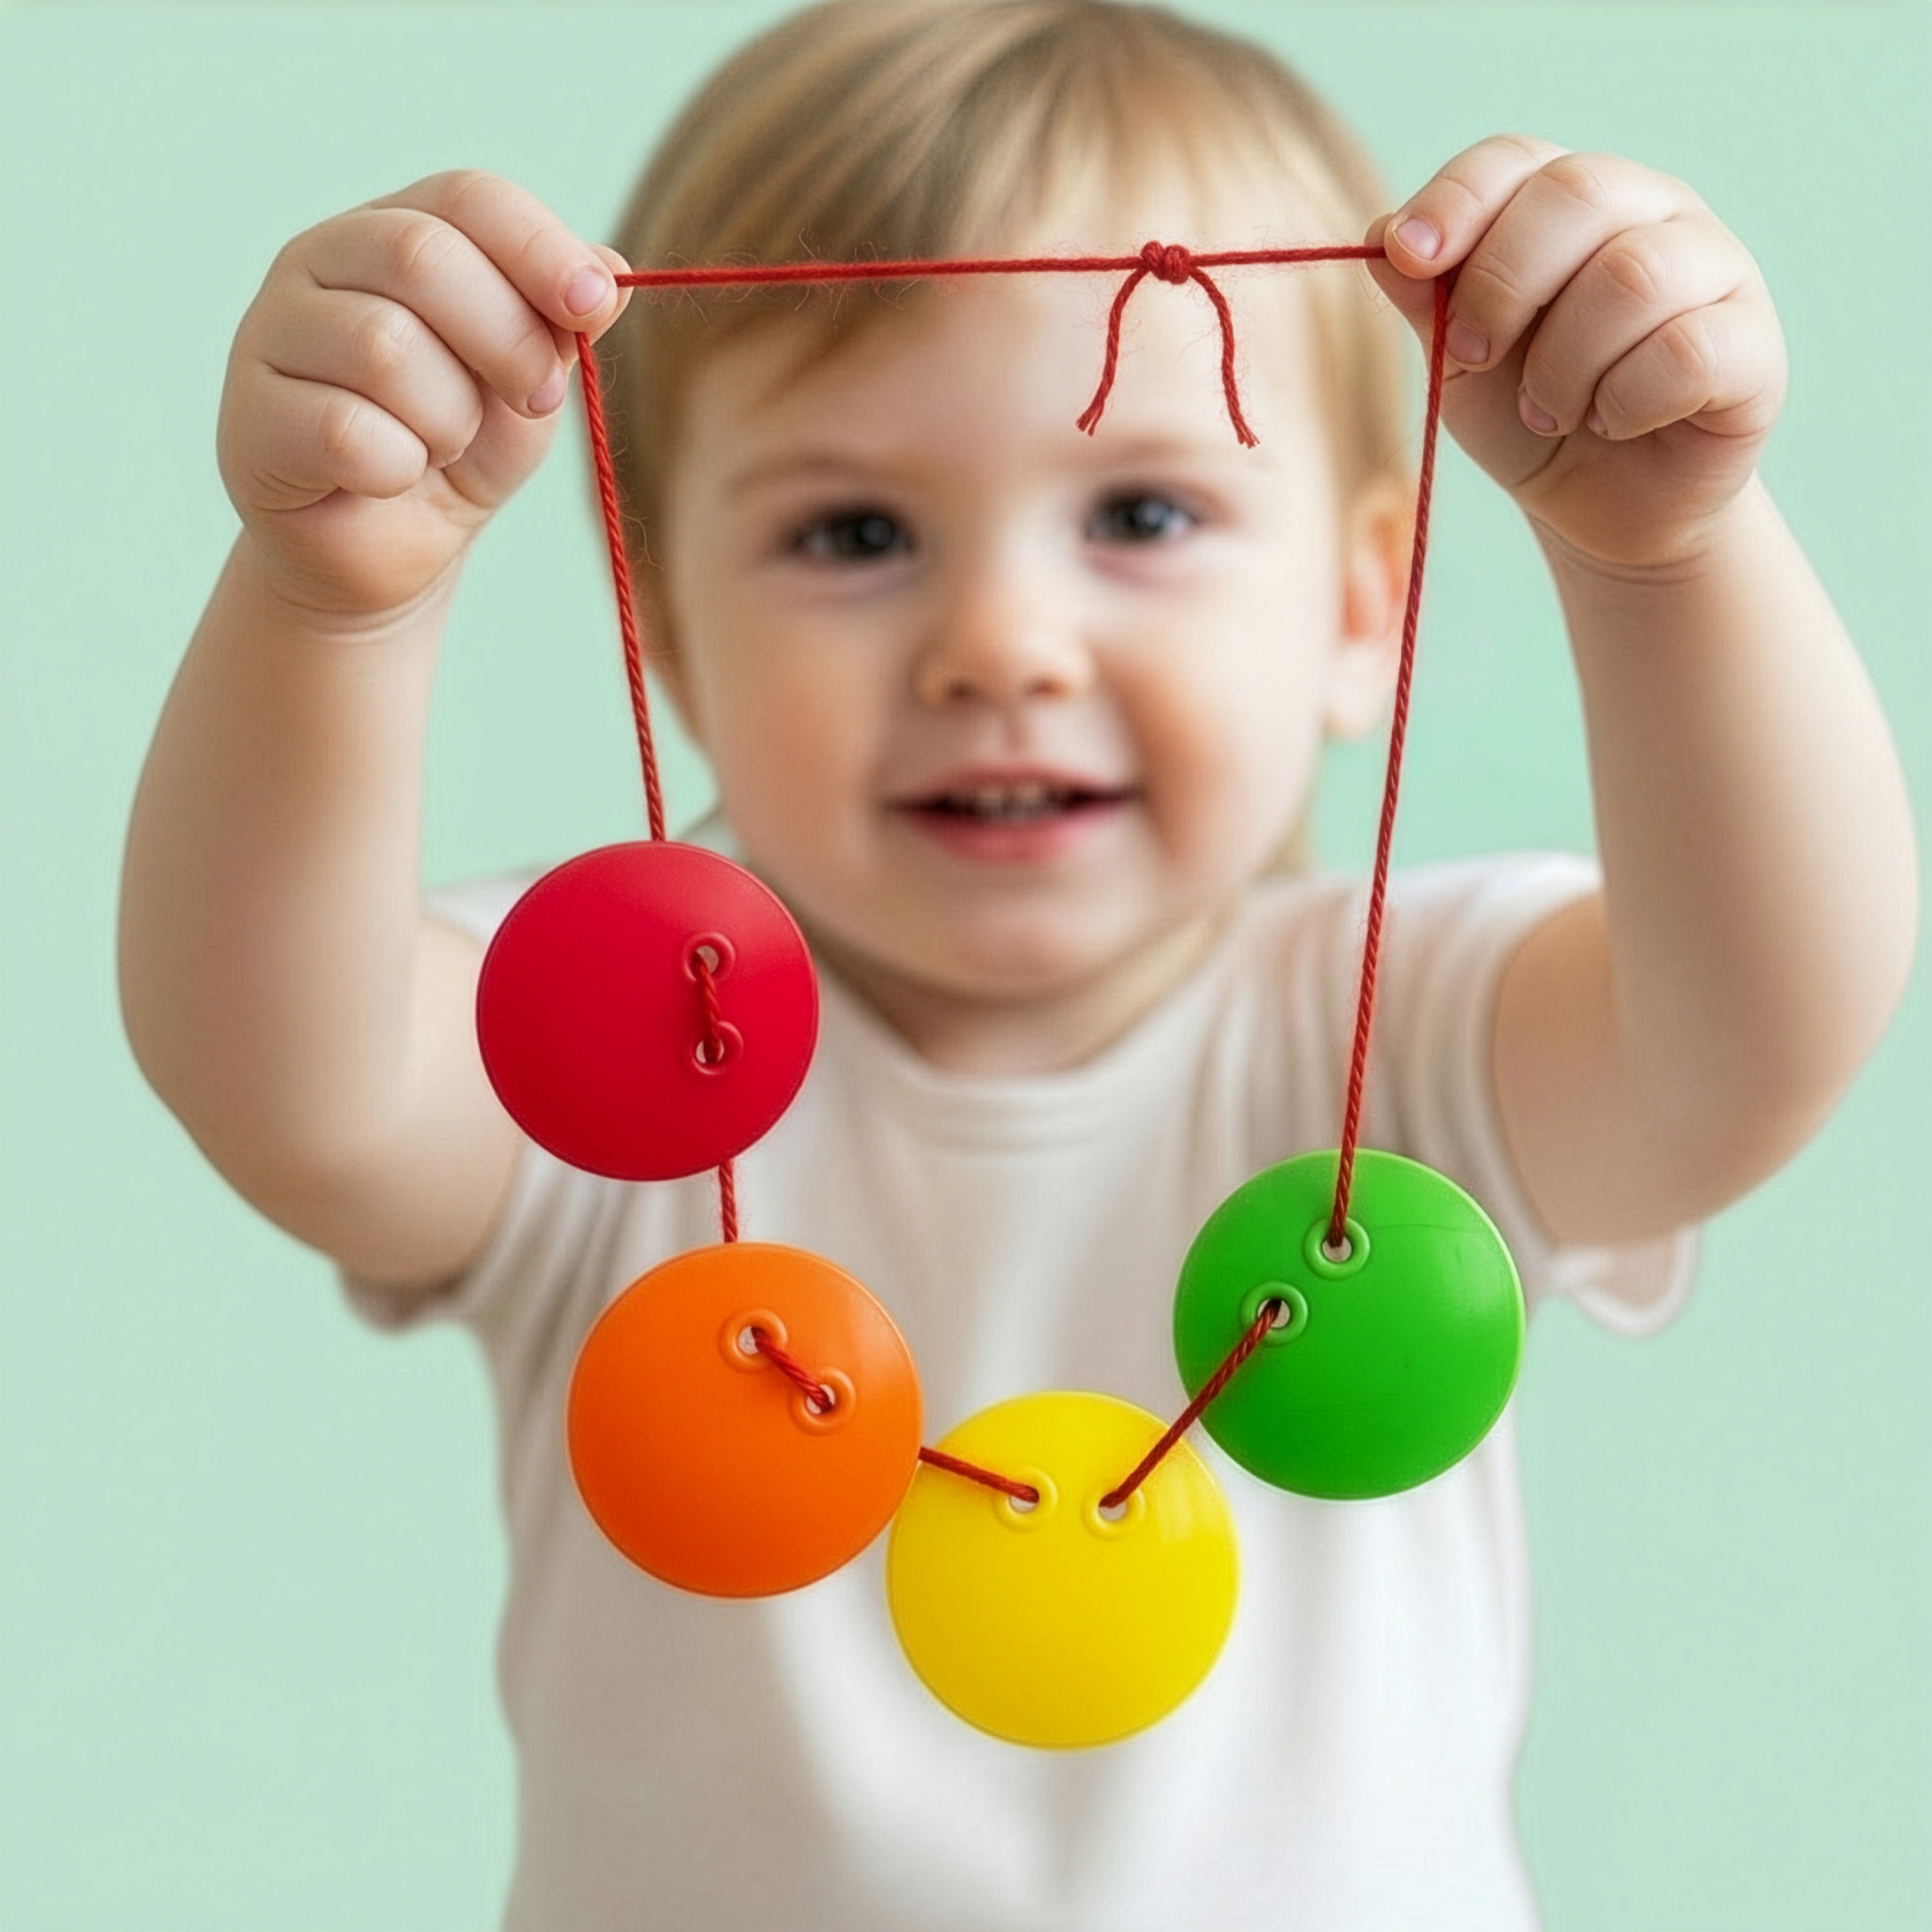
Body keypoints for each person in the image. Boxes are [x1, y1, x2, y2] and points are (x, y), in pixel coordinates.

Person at [117, 1, 1917, 1926]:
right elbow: (278, 1074)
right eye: (854, 529)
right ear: (666, 633)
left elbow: (1757, 1032)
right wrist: (329, 605)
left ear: (1361, 602)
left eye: (1142, 512)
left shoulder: (1409, 1036)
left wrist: (1666, 556)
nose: (1001, 643)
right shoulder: (609, 1049)